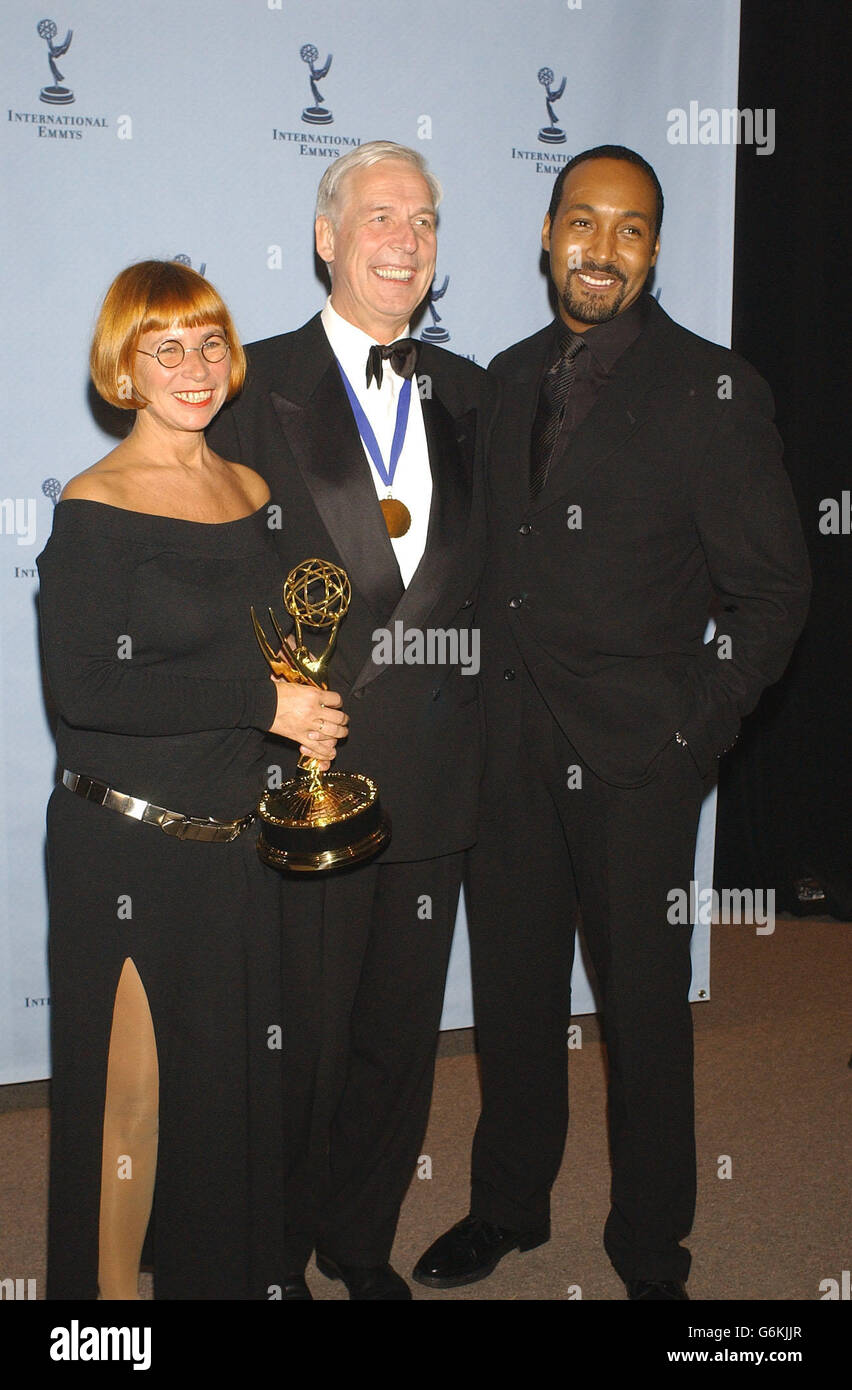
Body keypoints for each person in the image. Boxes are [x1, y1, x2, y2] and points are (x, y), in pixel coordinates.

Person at [413, 145, 811, 1299]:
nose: (603, 248)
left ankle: (650, 1245)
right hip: (509, 755)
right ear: (548, 237)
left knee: (643, 1016)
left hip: (640, 760)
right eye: (582, 222)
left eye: (630, 228)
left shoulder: (715, 388)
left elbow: (774, 593)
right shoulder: (504, 374)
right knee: (518, 1000)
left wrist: (697, 733)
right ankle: (508, 1206)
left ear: (653, 249)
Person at [207, 141, 492, 1299]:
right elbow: (206, 577)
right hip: (305, 771)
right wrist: (261, 710)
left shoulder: (475, 391)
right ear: (327, 239)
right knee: (297, 1046)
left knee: (394, 1043)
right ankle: (270, 1258)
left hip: (433, 772)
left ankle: (358, 1239)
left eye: (424, 220)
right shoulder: (246, 386)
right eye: (379, 216)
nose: (405, 239)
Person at [38, 259, 347, 1300]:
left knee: (228, 1105)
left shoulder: (252, 491)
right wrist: (261, 705)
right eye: (164, 346)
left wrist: (302, 711)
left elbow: (261, 647)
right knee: (128, 1109)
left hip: (236, 848)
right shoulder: (94, 504)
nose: (194, 364)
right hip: (125, 846)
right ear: (123, 368)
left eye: (209, 340)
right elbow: (84, 690)